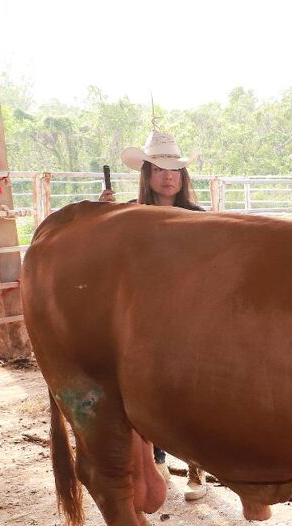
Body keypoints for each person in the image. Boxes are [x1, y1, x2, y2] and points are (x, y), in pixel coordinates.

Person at [98, 129, 208, 502]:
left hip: (189, 317)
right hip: (145, 320)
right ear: (147, 174)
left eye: (174, 168)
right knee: (147, 392)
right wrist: (103, 214)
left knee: (192, 394)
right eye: (159, 168)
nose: (168, 176)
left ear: (182, 176)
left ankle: (197, 466)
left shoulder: (199, 219)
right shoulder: (130, 215)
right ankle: (156, 461)